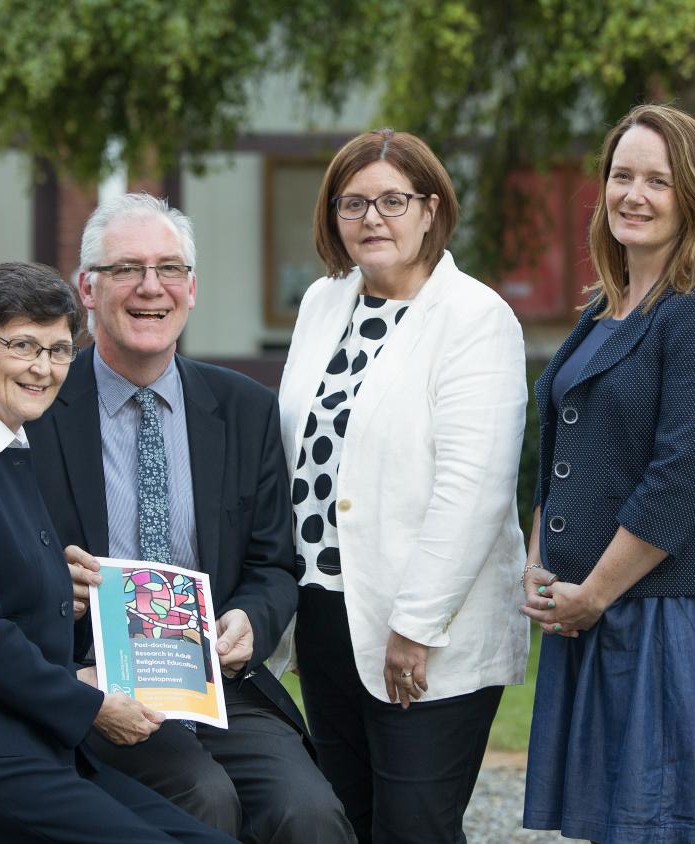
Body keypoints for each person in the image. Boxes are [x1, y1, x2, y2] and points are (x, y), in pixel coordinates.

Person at [0, 262, 234, 844]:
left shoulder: (5, 447)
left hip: (17, 740)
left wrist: (64, 588)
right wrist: (90, 705)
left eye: (58, 350)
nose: (44, 368)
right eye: (24, 345)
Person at [26, 193, 353, 844]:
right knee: (202, 800)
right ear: (86, 288)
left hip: (221, 684)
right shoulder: (36, 414)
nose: (152, 288)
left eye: (169, 269)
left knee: (311, 814)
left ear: (192, 289)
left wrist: (250, 622)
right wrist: (50, 584)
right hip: (96, 683)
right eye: (127, 270)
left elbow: (273, 566)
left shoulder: (245, 411)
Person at [274, 128, 530, 844]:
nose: (372, 219)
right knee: (345, 818)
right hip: (327, 609)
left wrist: (414, 625)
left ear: (431, 208)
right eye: (352, 203)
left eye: (393, 200)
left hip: (425, 629)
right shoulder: (323, 303)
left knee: (415, 825)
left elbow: (472, 491)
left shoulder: (476, 319)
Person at [520, 104, 695, 844]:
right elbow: (561, 450)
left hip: (671, 609)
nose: (634, 194)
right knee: (609, 823)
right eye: (621, 176)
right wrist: (538, 562)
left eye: (657, 180)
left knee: (657, 825)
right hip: (594, 605)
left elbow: (680, 476)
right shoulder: (605, 310)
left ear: (691, 195)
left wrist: (592, 593)